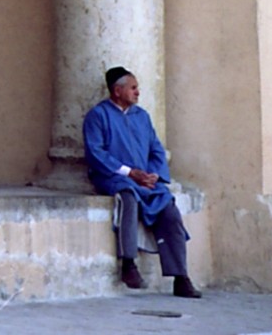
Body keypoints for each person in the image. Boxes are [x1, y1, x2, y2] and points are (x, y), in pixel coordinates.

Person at [82, 66, 202, 298]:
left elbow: (156, 150)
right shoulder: (98, 116)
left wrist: (154, 174)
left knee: (169, 207)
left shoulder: (142, 116)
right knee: (128, 198)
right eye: (133, 88)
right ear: (118, 91)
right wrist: (130, 173)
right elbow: (96, 153)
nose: (138, 93)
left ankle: (181, 277)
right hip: (114, 176)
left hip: (145, 180)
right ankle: (128, 263)